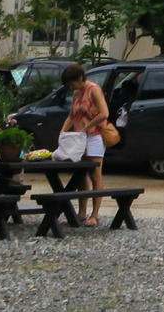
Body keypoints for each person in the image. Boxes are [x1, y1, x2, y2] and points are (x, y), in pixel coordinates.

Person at [59, 64, 109, 227]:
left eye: (72, 83)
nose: (72, 87)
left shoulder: (94, 89)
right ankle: (81, 213)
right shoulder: (76, 94)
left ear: (80, 78)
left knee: (95, 174)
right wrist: (63, 133)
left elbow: (104, 113)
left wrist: (87, 127)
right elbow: (71, 116)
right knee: (80, 174)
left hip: (94, 136)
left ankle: (95, 215)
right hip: (79, 138)